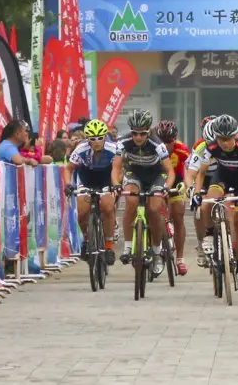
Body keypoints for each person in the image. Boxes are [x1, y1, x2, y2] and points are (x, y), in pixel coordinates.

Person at [191, 115, 238, 293]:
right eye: (221, 139)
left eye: (228, 139)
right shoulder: (211, 146)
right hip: (221, 179)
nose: (225, 144)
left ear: (235, 136)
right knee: (206, 204)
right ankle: (210, 233)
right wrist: (197, 192)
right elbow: (201, 173)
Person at [113, 110, 175, 276]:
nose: (138, 137)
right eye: (135, 133)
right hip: (135, 174)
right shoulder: (123, 142)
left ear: (149, 132)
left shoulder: (158, 145)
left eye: (142, 134)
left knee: (154, 210)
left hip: (156, 176)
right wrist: (116, 184)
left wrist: (166, 188)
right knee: (131, 202)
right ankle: (127, 247)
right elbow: (117, 167)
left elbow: (170, 171)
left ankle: (156, 252)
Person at [64, 119, 119, 265]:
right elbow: (69, 169)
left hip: (107, 178)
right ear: (87, 138)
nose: (96, 142)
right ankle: (87, 240)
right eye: (92, 139)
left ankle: (108, 247)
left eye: (100, 138)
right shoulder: (81, 148)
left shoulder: (113, 148)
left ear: (105, 137)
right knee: (82, 212)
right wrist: (68, 184)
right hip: (86, 178)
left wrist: (117, 184)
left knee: (108, 208)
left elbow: (119, 168)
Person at [155, 120, 191, 276]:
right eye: (162, 141)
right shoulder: (152, 148)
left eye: (169, 141)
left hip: (176, 182)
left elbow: (189, 170)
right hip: (157, 182)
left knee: (178, 216)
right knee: (155, 212)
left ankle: (180, 259)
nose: (166, 145)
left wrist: (188, 186)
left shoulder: (182, 150)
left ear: (175, 139)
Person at [185, 118, 219, 267]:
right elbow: (191, 174)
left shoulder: (229, 144)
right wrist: (191, 189)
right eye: (209, 144)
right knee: (200, 208)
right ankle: (201, 244)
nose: (213, 148)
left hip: (222, 176)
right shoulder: (199, 147)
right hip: (203, 177)